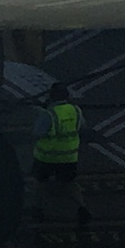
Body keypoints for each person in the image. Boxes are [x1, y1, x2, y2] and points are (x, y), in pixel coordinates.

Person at [32, 80, 88, 226]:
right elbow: (82, 127)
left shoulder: (49, 114)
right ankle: (82, 208)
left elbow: (38, 132)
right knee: (70, 184)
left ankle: (38, 210)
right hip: (69, 157)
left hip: (46, 157)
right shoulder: (76, 111)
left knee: (40, 183)